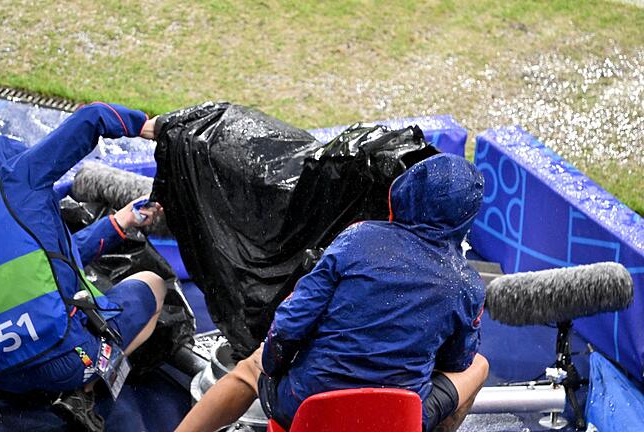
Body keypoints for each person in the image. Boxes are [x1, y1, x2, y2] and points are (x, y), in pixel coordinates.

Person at [176, 153, 489, 432]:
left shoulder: (359, 237)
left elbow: (290, 322)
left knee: (248, 369)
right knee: (479, 366)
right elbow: (458, 360)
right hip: (397, 419)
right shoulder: (467, 283)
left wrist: (272, 367)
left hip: (305, 408)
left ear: (405, 191)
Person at [0, 102, 164, 431]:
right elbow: (92, 117)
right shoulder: (17, 179)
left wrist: (120, 222)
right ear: (11, 161)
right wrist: (146, 126)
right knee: (153, 285)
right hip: (65, 365)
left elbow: (53, 257)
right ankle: (83, 391)